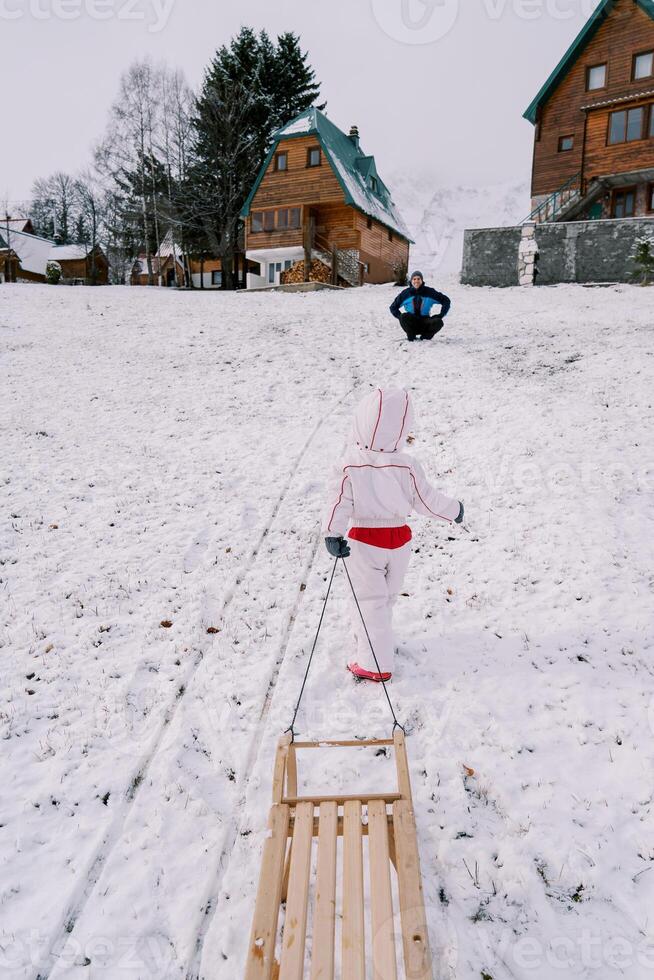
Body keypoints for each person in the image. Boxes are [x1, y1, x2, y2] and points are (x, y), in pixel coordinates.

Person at [323, 387, 464, 682]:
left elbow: (339, 501)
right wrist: (454, 510)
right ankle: (378, 643)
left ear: (361, 421)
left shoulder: (351, 463)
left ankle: (374, 663)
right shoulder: (406, 465)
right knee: (384, 599)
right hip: (399, 542)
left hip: (365, 541)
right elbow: (426, 500)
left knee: (368, 601)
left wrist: (332, 534)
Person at [390, 271, 451, 341]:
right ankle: (411, 337)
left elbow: (446, 300)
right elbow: (393, 307)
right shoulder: (405, 293)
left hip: (425, 321)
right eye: (414, 279)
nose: (416, 281)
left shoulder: (430, 292)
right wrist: (400, 317)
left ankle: (425, 337)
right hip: (411, 322)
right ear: (411, 281)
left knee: (439, 322)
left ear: (422, 280)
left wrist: (441, 315)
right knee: (404, 316)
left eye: (418, 279)